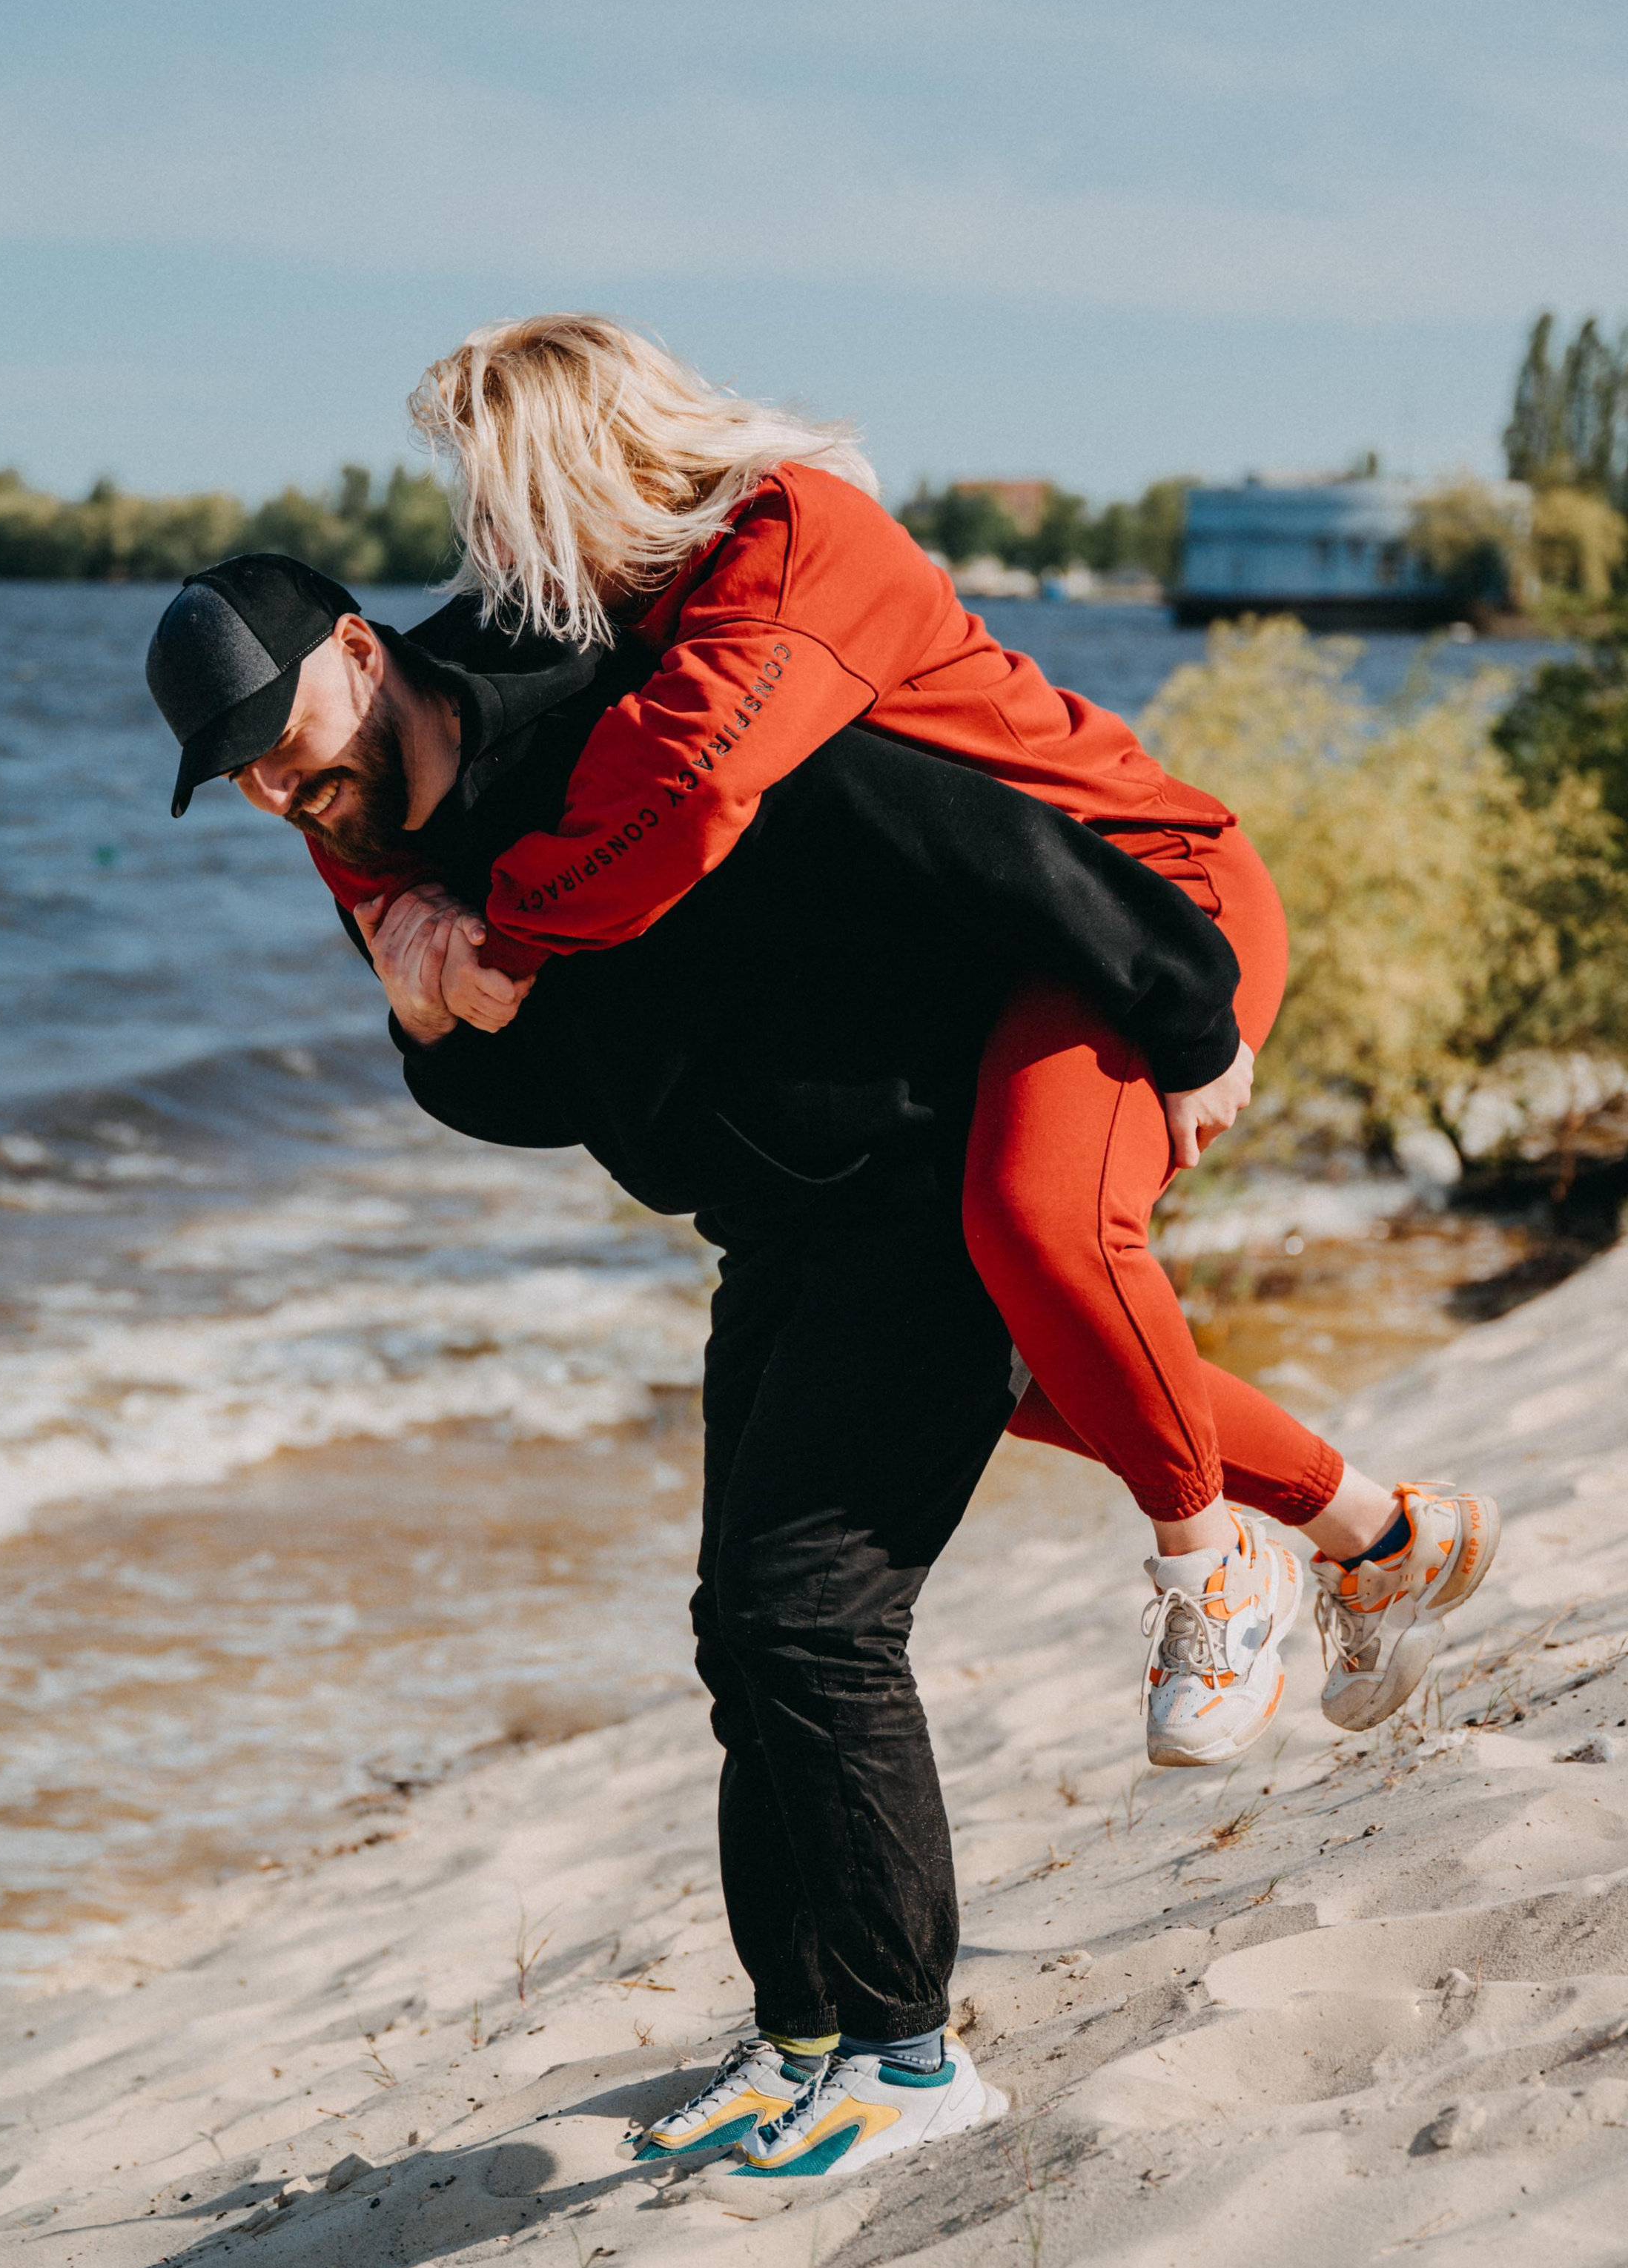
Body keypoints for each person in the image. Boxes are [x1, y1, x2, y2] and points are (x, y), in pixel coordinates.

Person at [146, 558, 1475, 2182]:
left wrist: (1180, 1005)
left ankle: (908, 2059)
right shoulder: (373, 848)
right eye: (246, 780)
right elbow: (539, 1088)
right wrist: (438, 1027)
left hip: (914, 1190)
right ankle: (798, 2038)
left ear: (357, 651)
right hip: (771, 1228)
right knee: (737, 1631)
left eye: (282, 741)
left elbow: (956, 835)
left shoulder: (616, 708)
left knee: (812, 1615)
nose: (282, 790)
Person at [370, 314, 1498, 1762]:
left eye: (503, 511)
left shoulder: (790, 544)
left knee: (1038, 1228)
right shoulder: (640, 605)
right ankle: (1382, 1536)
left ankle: (1209, 1565)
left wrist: (499, 936)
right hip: (1015, 957)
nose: (496, 556)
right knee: (1003, 1358)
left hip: (1142, 908)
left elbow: (684, 787)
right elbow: (417, 704)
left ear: (587, 471)